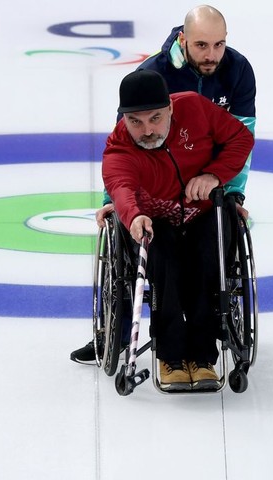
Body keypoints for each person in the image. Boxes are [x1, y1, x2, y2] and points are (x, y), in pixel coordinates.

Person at [72, 5, 256, 364]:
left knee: (215, 242)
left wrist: (228, 190)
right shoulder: (151, 76)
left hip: (206, 183)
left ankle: (209, 339)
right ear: (183, 40)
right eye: (202, 45)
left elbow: (242, 135)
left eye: (219, 45)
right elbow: (125, 152)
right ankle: (118, 332)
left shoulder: (236, 71)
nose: (211, 55)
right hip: (157, 194)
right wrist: (120, 206)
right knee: (151, 253)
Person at [101, 69, 253, 391]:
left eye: (155, 118)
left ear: (170, 107)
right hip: (157, 222)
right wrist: (133, 218)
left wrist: (214, 175)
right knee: (164, 258)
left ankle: (202, 356)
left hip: (203, 213)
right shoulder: (119, 149)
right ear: (124, 118)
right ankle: (170, 356)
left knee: (207, 255)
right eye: (136, 122)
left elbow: (241, 138)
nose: (147, 130)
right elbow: (121, 187)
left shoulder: (195, 108)